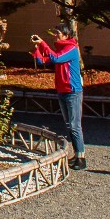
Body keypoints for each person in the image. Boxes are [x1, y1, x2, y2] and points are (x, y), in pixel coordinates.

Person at [31, 29, 87, 170]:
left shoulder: (71, 48)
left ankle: (81, 157)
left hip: (72, 91)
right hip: (62, 91)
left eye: (59, 33)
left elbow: (56, 58)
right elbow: (44, 60)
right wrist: (37, 48)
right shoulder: (60, 50)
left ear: (67, 35)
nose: (56, 35)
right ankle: (76, 155)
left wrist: (43, 43)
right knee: (69, 125)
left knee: (75, 126)